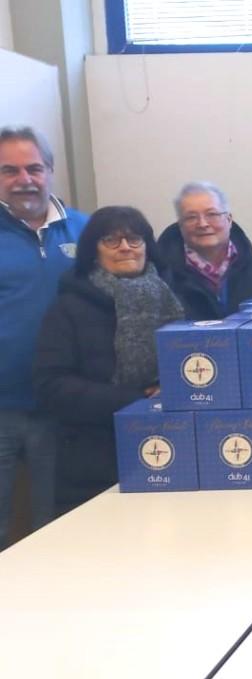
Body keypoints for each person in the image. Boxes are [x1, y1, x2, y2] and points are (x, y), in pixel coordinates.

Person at [33, 206, 183, 514]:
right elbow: (51, 386)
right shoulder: (68, 308)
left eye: (134, 239)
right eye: (111, 240)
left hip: (172, 447)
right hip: (92, 459)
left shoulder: (174, 298)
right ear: (93, 251)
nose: (125, 247)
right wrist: (137, 400)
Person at [0, 125, 88, 547]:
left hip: (65, 411)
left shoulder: (87, 231)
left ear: (51, 170)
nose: (24, 179)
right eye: (9, 170)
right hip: (2, 408)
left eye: (34, 168)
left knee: (55, 529)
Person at [158, 181, 252, 320]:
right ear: (180, 225)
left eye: (212, 214)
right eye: (191, 217)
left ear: (229, 219)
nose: (203, 224)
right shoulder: (162, 277)